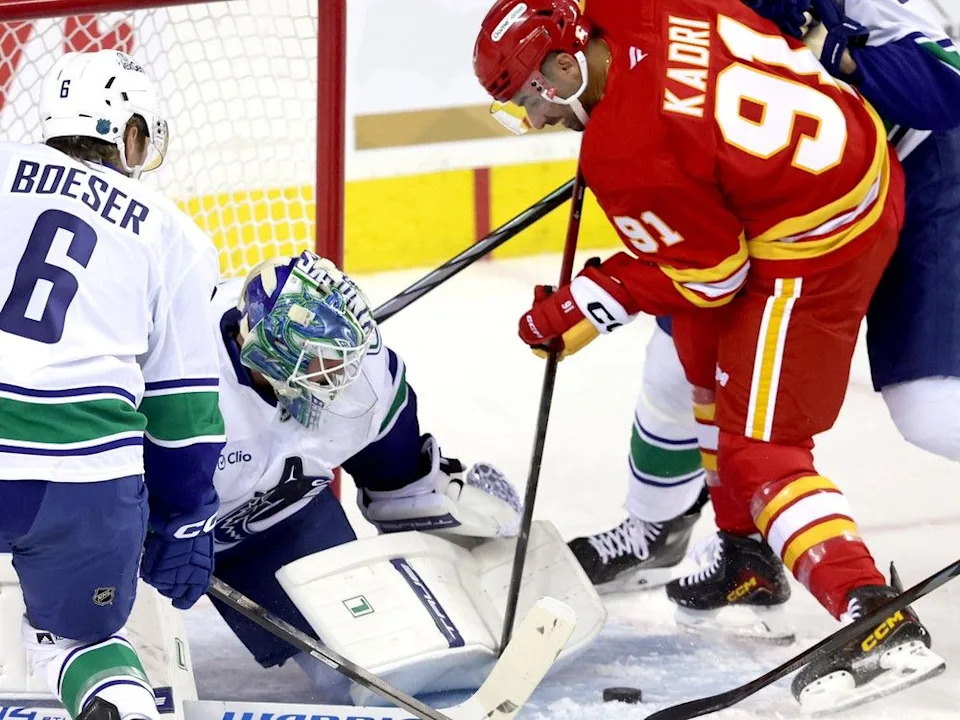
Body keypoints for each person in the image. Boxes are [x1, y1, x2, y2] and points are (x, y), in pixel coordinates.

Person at [473, 0, 945, 710]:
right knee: (698, 348)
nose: (536, 121)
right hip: (828, 163)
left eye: (529, 100)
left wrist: (593, 297)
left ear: (565, 67)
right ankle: (746, 557)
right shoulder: (633, 9)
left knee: (762, 452)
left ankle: (876, 617)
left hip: (817, 243)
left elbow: (712, 277)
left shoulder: (624, 152)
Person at [569, 0, 960, 596]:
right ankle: (676, 532)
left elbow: (948, 83)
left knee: (929, 408)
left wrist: (836, 53)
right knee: (676, 364)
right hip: (780, 199)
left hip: (918, 174)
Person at [0, 50, 224, 720]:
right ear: (128, 132)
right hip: (84, 482)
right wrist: (183, 519)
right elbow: (183, 409)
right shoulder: (174, 234)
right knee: (80, 644)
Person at [207, 250, 522, 698]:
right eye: (319, 359)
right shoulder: (183, 378)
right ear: (269, 354)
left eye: (340, 355)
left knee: (371, 666)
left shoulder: (361, 372)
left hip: (285, 520)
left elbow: (393, 453)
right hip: (175, 530)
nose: (341, 373)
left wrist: (419, 495)